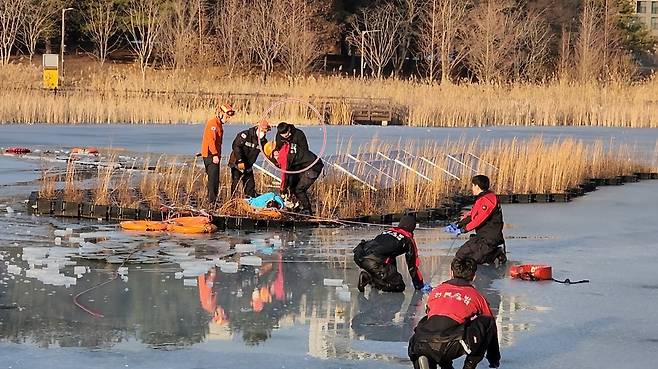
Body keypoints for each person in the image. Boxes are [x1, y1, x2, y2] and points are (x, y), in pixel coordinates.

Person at [408, 257, 501, 369]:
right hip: (449, 345)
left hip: (419, 343)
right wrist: (494, 359)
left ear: (451, 273)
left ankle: (427, 360)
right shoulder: (476, 296)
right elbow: (490, 325)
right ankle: (468, 366)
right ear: (474, 277)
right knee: (487, 321)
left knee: (429, 319)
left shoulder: (436, 291)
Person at [353, 215, 430, 293]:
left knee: (386, 275)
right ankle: (368, 278)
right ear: (412, 228)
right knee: (399, 286)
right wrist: (419, 285)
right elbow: (412, 266)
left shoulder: (388, 231)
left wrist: (393, 274)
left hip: (359, 254)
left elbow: (388, 256)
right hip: (373, 260)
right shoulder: (408, 239)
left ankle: (371, 279)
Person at [445, 175, 507, 266]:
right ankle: (491, 252)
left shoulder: (488, 200)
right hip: (481, 235)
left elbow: (479, 219)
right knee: (461, 254)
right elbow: (472, 214)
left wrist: (464, 229)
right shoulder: (482, 198)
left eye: (473, 185)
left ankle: (496, 253)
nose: (472, 188)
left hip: (490, 237)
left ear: (477, 186)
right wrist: (458, 224)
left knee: (474, 260)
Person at [274, 122, 323, 215]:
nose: (286, 136)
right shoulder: (281, 145)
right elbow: (278, 148)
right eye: (283, 135)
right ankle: (296, 208)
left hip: (310, 166)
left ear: (289, 129)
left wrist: (283, 188)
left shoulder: (298, 135)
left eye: (287, 134)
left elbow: (285, 173)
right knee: (292, 187)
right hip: (296, 164)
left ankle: (307, 211)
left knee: (299, 189)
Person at [200, 103, 234, 204]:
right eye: (227, 117)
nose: (227, 119)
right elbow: (211, 140)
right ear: (221, 114)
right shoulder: (213, 124)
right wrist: (215, 154)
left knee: (214, 178)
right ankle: (211, 202)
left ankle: (212, 200)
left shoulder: (218, 124)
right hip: (211, 155)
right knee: (213, 179)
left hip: (213, 154)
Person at [228, 119, 270, 197]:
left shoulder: (263, 141)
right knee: (236, 183)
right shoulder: (245, 135)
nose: (264, 133)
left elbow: (267, 153)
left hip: (249, 165)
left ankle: (251, 200)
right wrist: (240, 160)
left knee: (250, 186)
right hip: (237, 163)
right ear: (257, 128)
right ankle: (233, 201)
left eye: (265, 131)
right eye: (263, 130)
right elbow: (236, 146)